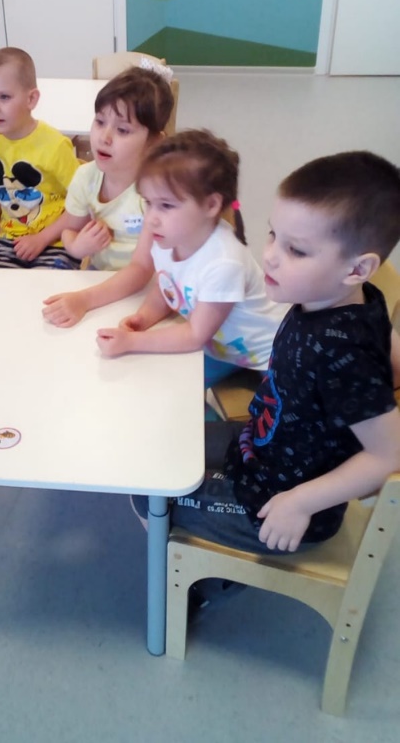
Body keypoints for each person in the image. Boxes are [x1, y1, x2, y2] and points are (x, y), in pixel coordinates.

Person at [132, 150, 400, 574]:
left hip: (281, 506)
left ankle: (205, 586)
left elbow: (389, 454)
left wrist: (300, 503)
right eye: (274, 234)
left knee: (145, 490)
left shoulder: (342, 352)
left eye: (297, 250)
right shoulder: (341, 298)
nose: (271, 255)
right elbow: (387, 349)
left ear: (357, 269)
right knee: (155, 446)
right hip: (259, 447)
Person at [95, 130, 286, 393]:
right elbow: (167, 287)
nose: (151, 218)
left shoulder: (224, 262)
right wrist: (143, 318)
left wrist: (131, 342)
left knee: (271, 408)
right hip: (221, 346)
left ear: (211, 205)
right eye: (148, 203)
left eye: (166, 205)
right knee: (163, 387)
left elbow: (195, 335)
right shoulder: (168, 238)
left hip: (268, 354)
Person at [0, 47, 80, 268]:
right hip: (9, 240)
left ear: (31, 99)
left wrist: (41, 239)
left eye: (4, 97)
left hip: (57, 240)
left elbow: (82, 204)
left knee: (45, 287)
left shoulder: (55, 145)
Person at [58, 65, 174, 270]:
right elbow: (69, 230)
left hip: (151, 278)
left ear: (154, 142)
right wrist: (77, 247)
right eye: (100, 122)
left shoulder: (158, 191)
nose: (104, 138)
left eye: (122, 130)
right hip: (100, 274)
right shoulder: (85, 177)